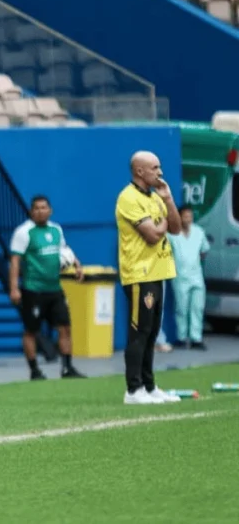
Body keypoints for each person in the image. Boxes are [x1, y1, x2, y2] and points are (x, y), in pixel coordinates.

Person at [116, 151, 182, 405]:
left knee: (152, 332)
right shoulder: (128, 198)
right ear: (140, 171)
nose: (160, 172)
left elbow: (174, 228)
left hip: (158, 271)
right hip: (139, 274)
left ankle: (149, 386)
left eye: (160, 166)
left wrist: (168, 200)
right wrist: (163, 221)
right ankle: (133, 390)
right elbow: (153, 235)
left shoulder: (156, 197)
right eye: (155, 168)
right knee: (139, 331)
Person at [9, 196, 86, 381]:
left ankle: (67, 368)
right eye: (36, 208)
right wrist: (14, 288)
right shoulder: (24, 232)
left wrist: (77, 265)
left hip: (55, 289)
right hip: (33, 290)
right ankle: (35, 370)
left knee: (65, 327)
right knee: (31, 331)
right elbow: (15, 261)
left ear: (50, 210)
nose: (40, 211)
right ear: (31, 211)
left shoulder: (56, 229)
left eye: (44, 208)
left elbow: (64, 251)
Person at [168, 205, 210, 350]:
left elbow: (204, 251)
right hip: (180, 277)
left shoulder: (199, 232)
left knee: (197, 308)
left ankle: (196, 338)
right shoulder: (172, 234)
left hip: (196, 277)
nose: (188, 219)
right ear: (179, 217)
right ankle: (181, 337)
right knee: (181, 308)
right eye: (185, 216)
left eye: (190, 216)